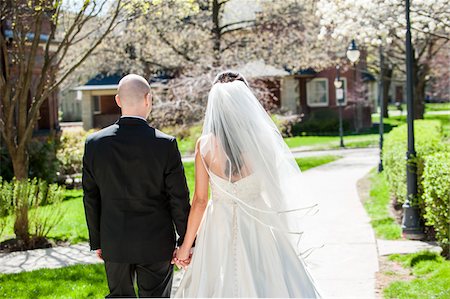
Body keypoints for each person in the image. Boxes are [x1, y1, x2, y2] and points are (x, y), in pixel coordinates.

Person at [173, 71, 321, 298]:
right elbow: (275, 190)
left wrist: (185, 247)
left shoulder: (205, 145)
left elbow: (200, 201)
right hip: (259, 221)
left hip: (218, 224)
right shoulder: (263, 141)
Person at [82, 74, 191, 298]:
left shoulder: (94, 144)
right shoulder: (165, 145)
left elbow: (91, 197)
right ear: (148, 99)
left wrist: (98, 240)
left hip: (114, 240)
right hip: (156, 242)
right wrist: (186, 242)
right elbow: (178, 199)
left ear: (118, 100)